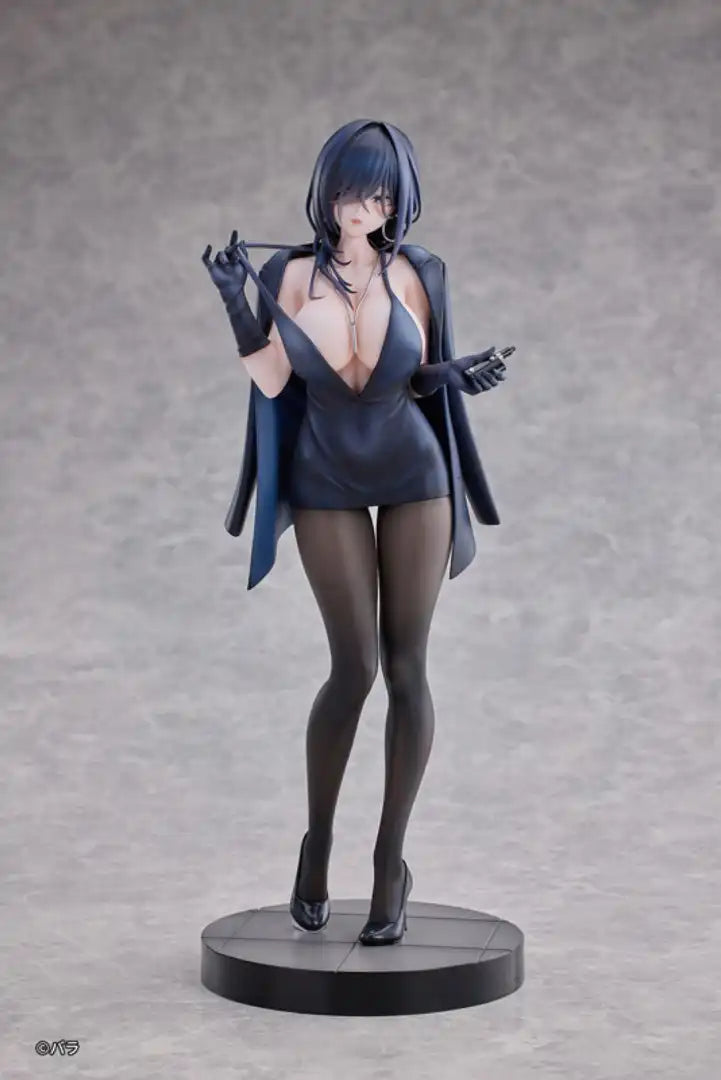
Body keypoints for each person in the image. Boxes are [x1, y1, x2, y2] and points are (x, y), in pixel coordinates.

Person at [202, 119, 509, 946]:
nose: (359, 208)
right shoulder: (288, 272)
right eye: (346, 190)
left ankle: (388, 863)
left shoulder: (418, 271)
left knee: (407, 668)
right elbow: (274, 380)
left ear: (398, 200)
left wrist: (457, 374)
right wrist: (235, 300)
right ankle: (317, 844)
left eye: (376, 195)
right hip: (326, 475)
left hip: (413, 473)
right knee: (353, 668)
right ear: (325, 191)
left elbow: (417, 377)